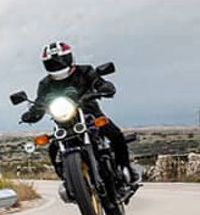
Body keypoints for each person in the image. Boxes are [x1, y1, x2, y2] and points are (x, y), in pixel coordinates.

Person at [19, 41, 140, 183]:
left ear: (69, 58)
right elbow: (40, 102)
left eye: (59, 61)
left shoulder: (85, 71)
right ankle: (68, 180)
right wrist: (31, 114)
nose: (56, 65)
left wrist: (105, 87)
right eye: (52, 63)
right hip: (64, 123)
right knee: (53, 148)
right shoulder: (45, 84)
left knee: (114, 134)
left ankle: (126, 168)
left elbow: (99, 82)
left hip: (90, 114)